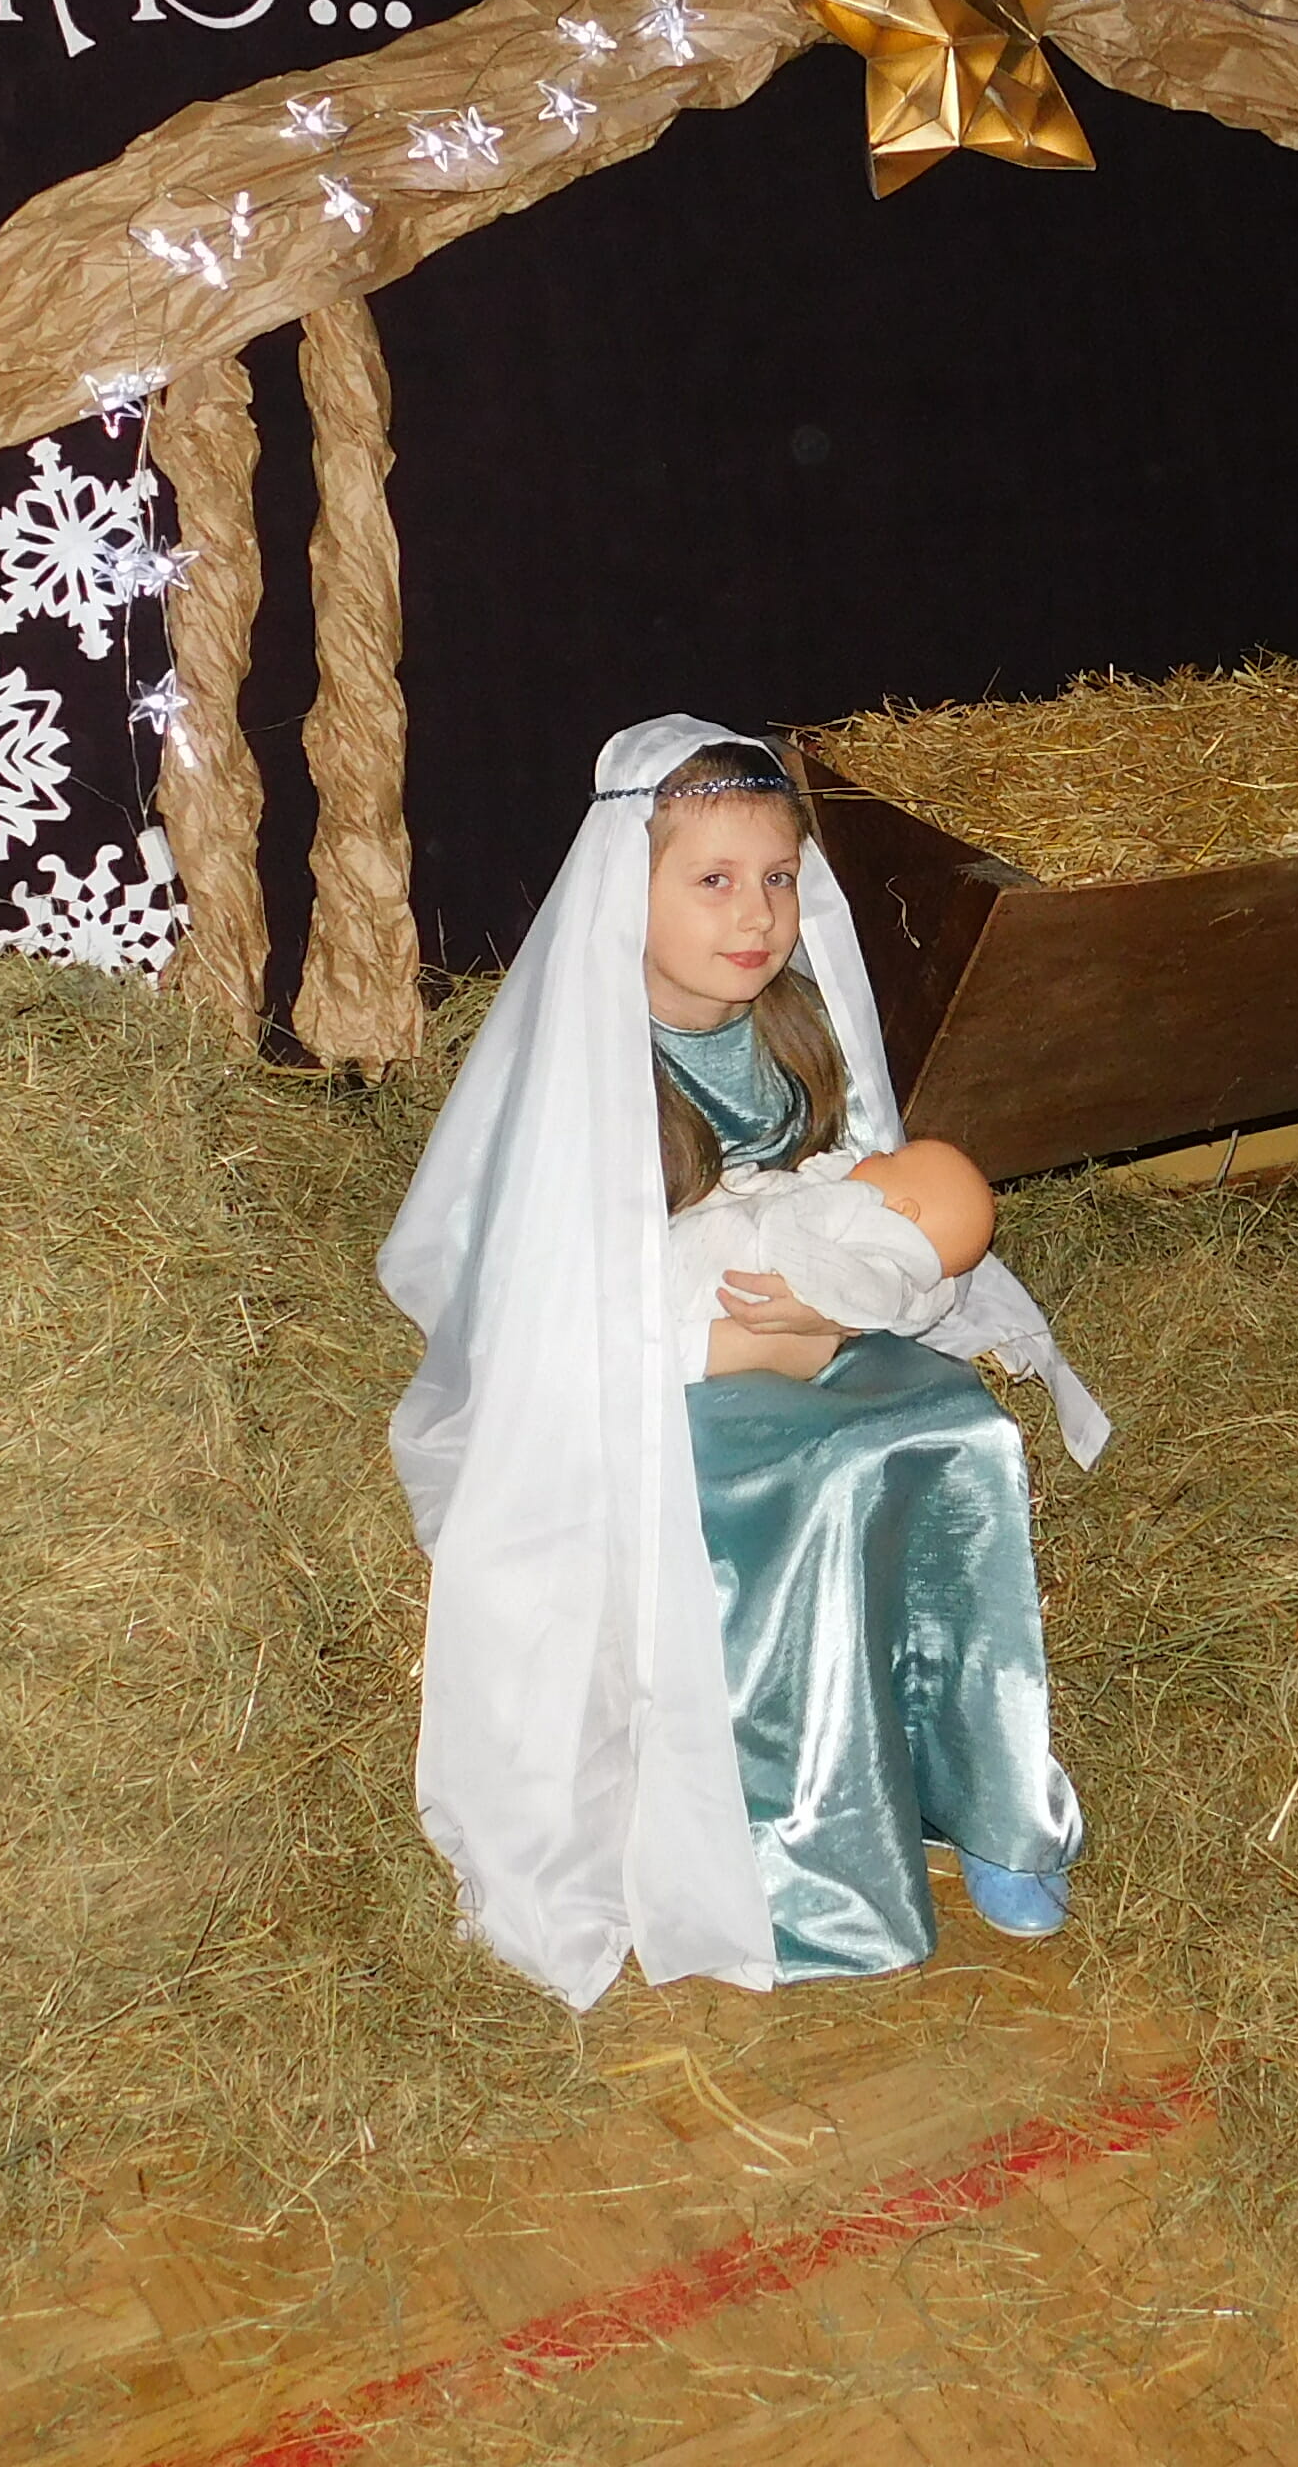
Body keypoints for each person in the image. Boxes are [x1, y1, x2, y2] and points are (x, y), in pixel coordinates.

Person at [380, 718, 1106, 2006]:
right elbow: (551, 1306)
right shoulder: (587, 1060)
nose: (757, 913)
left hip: (807, 1325)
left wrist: (839, 1309)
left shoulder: (792, 1027)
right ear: (631, 888)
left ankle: (993, 1805)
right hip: (663, 1368)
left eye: (777, 877)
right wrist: (740, 1342)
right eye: (712, 880)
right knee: (818, 1477)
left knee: (961, 1431)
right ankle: (803, 1862)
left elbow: (861, 1202)